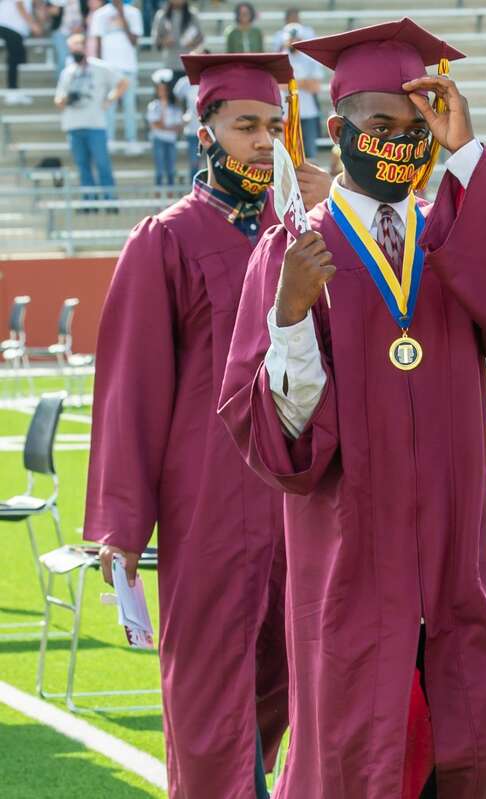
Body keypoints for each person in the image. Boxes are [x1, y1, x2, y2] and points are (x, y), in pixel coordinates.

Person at [218, 19, 486, 797]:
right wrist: (293, 315)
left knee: (463, 744)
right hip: (351, 569)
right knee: (353, 759)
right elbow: (278, 443)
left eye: (416, 129)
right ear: (338, 131)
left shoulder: (450, 240)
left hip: (454, 567)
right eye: (383, 126)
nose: (403, 142)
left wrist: (465, 152)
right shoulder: (292, 250)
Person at [83, 52, 327, 799]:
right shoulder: (167, 240)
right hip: (210, 504)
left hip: (300, 498)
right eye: (245, 124)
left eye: (273, 127)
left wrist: (332, 208)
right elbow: (132, 389)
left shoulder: (305, 233)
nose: (262, 141)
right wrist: (123, 524)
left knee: (295, 677)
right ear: (206, 132)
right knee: (208, 696)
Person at [54, 32, 125, 203]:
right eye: (73, 47)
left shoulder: (100, 67)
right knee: (83, 167)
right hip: (73, 126)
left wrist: (109, 100)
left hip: (95, 125)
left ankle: (110, 201)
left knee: (102, 165)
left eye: (79, 46)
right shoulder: (68, 72)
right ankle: (89, 201)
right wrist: (64, 100)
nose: (76, 50)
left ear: (86, 47)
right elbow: (58, 100)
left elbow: (123, 83)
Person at [88, 0, 140, 145]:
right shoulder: (100, 14)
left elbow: (134, 41)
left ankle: (132, 139)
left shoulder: (133, 13)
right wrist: (98, 67)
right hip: (108, 69)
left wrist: (122, 15)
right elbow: (97, 42)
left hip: (128, 67)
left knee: (129, 106)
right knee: (108, 106)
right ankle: (109, 138)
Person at [281, 21, 323, 159]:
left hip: (307, 112)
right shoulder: (281, 58)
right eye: (290, 39)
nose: (293, 42)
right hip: (287, 113)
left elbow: (316, 86)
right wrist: (303, 82)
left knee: (309, 155)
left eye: (296, 39)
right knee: (287, 154)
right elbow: (278, 84)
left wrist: (292, 82)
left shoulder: (310, 58)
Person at [146, 67, 182, 188]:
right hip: (158, 140)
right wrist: (163, 107)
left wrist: (164, 127)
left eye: (164, 90)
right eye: (160, 89)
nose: (162, 92)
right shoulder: (153, 106)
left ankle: (170, 198)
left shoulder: (175, 106)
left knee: (171, 171)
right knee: (159, 171)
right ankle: (158, 200)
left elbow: (177, 127)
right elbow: (157, 124)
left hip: (171, 141)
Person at [151, 0, 202, 82]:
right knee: (169, 93)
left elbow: (200, 38)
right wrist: (164, 41)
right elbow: (156, 40)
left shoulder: (193, 15)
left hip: (188, 66)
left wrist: (193, 42)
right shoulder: (162, 15)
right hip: (169, 64)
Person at [0, 0, 35, 104]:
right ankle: (12, 92)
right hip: (9, 26)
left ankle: (13, 91)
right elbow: (19, 5)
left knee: (18, 58)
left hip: (13, 29)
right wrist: (33, 24)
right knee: (14, 59)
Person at [172, 68, 200, 177]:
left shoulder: (210, 79)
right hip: (192, 130)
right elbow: (177, 99)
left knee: (211, 165)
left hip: (210, 131)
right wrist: (182, 116)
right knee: (194, 164)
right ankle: (194, 191)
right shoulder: (184, 82)